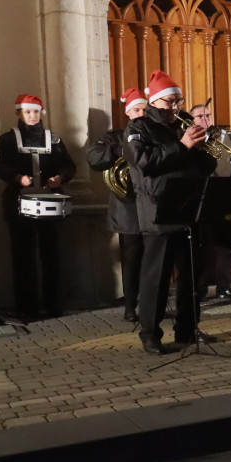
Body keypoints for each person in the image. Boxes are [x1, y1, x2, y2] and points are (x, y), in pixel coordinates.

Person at [123, 69, 218, 354]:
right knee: (157, 278)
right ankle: (150, 333)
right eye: (170, 102)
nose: (176, 107)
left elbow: (206, 167)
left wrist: (202, 149)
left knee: (191, 275)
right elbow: (144, 162)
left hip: (188, 207)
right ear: (155, 101)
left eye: (179, 101)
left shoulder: (183, 124)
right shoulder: (138, 128)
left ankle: (187, 329)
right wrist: (182, 145)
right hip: (157, 209)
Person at [0, 93, 77, 319]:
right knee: (23, 257)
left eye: (35, 112)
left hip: (50, 206)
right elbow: (0, 166)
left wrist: (60, 178)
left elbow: (69, 166)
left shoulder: (54, 140)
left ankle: (54, 306)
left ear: (41, 113)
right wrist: (17, 177)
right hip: (17, 205)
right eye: (27, 112)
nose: (32, 116)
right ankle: (27, 308)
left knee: (52, 256)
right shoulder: (7, 140)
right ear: (19, 113)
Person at [85, 87, 147, 322]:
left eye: (144, 109)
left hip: (151, 203)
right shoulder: (116, 136)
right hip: (127, 206)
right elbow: (94, 156)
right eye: (137, 110)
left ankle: (151, 304)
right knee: (132, 257)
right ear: (128, 112)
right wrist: (119, 150)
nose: (141, 114)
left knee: (153, 257)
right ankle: (131, 306)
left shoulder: (154, 134)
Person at [190, 102, 231, 302]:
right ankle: (200, 288)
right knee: (202, 245)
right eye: (200, 116)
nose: (206, 119)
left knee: (224, 242)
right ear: (192, 120)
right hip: (199, 196)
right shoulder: (189, 138)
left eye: (208, 115)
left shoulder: (221, 138)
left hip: (221, 192)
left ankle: (224, 287)